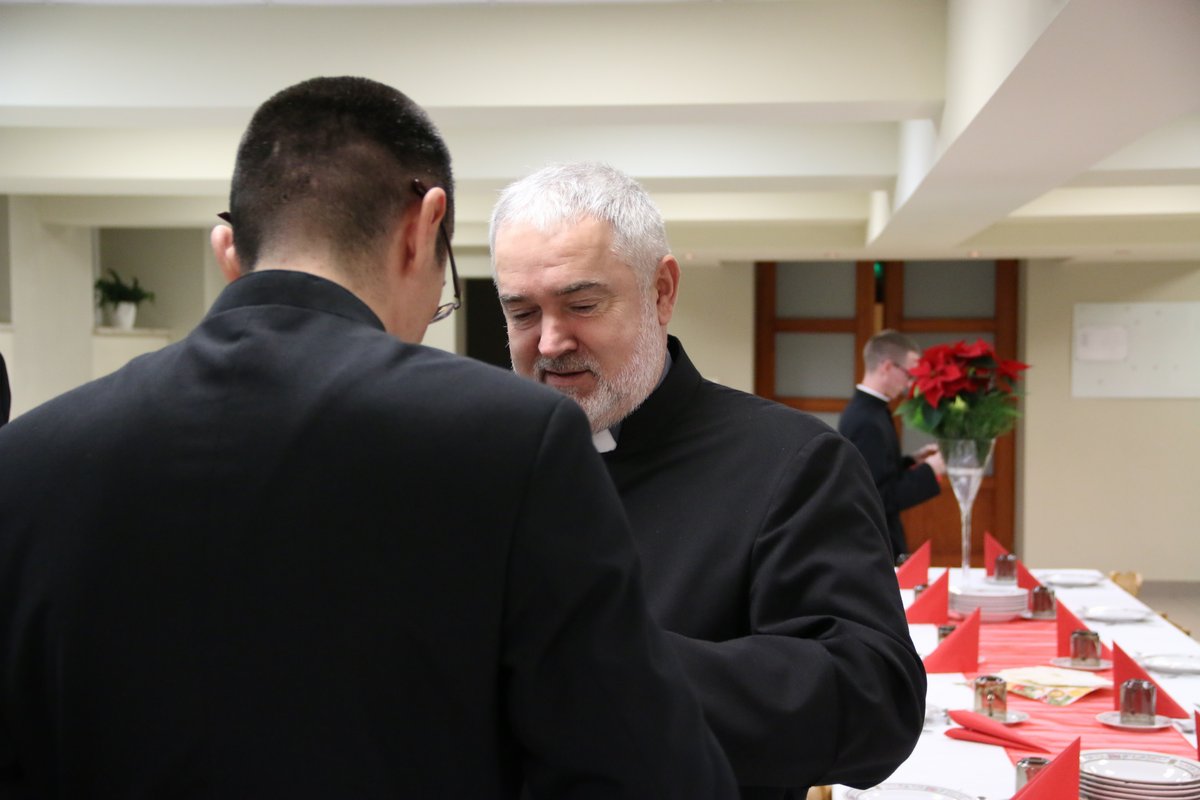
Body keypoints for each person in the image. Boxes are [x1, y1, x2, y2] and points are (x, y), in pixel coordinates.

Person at [0, 80, 736, 799]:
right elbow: (643, 771)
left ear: (230, 250)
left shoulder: (28, 459)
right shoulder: (512, 439)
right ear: (423, 226)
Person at [490, 161, 926, 800]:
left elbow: (876, 699)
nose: (551, 341)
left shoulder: (793, 461)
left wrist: (605, 665)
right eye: (523, 313)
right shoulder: (482, 461)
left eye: (582, 305)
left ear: (661, 292)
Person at [838, 330, 946, 564]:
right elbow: (878, 496)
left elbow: (876, 472)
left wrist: (911, 462)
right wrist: (931, 469)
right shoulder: (866, 419)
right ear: (887, 366)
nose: (910, 384)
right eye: (909, 374)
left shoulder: (870, 411)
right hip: (872, 544)